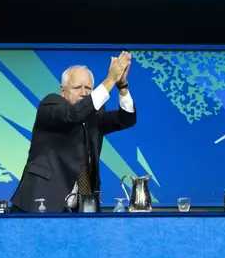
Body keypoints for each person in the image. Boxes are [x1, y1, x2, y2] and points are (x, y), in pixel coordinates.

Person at [11, 52, 137, 212]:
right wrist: (110, 80)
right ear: (63, 91)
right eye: (77, 87)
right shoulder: (50, 105)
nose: (84, 93)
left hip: (82, 209)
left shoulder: (94, 117)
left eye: (88, 88)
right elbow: (75, 114)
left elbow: (127, 118)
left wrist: (122, 86)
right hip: (40, 205)